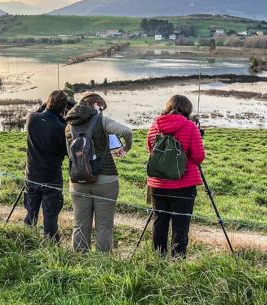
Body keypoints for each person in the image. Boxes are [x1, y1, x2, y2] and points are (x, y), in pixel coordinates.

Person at [66, 92, 132, 253]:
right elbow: (127, 131)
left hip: (77, 180)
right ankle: (102, 265)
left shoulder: (69, 125)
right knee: (104, 226)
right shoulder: (101, 119)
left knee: (80, 224)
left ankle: (79, 261)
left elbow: (70, 153)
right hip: (105, 179)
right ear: (96, 105)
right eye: (101, 108)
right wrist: (126, 148)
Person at [146, 95, 205, 257]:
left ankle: (158, 257)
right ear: (188, 109)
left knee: (159, 222)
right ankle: (178, 261)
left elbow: (151, 150)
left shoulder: (155, 124)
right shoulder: (191, 126)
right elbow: (198, 157)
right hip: (183, 184)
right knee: (181, 225)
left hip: (158, 184)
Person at [23, 90, 70, 242]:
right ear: (63, 109)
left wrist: (46, 105)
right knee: (50, 217)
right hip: (52, 178)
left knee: (31, 213)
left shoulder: (31, 118)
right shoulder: (61, 128)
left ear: (47, 103)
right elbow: (68, 153)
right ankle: (51, 246)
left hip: (32, 176)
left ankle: (26, 242)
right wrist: (65, 118)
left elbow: (39, 112)